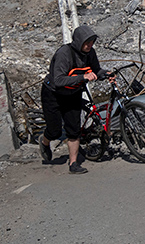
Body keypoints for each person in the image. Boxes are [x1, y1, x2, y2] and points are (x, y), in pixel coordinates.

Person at [39, 25, 111, 174]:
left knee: (74, 129)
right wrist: (83, 77)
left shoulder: (90, 53)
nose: (89, 45)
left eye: (92, 41)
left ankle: (73, 164)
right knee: (55, 131)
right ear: (78, 41)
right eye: (86, 42)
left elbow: (96, 70)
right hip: (53, 94)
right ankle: (44, 142)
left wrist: (107, 74)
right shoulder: (64, 54)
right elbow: (59, 80)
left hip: (73, 94)